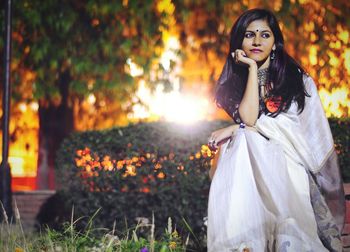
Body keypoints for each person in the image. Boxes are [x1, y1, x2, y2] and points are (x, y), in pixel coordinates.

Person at [207, 8, 345, 252]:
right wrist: (251, 69)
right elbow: (248, 120)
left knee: (243, 136)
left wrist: (234, 128)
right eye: (250, 35)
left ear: (275, 42)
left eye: (265, 35)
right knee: (244, 138)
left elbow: (297, 131)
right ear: (239, 41)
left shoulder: (296, 79)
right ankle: (247, 244)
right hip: (252, 166)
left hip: (291, 165)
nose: (257, 41)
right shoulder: (235, 80)